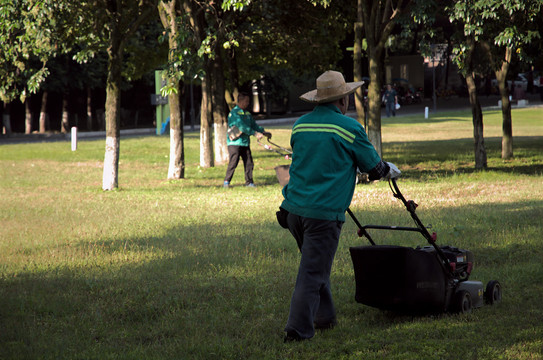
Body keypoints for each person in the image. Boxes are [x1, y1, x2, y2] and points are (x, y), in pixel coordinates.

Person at [276, 70, 401, 342]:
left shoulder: (301, 125)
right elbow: (375, 168)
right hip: (323, 215)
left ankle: (325, 316)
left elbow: (306, 163)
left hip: (293, 210)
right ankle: (297, 332)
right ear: (343, 100)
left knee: (316, 264)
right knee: (312, 272)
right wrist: (390, 169)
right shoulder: (349, 127)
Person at [223, 92, 271, 188]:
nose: (248, 103)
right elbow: (242, 126)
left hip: (245, 143)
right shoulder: (234, 113)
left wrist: (263, 132)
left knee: (249, 163)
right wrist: (255, 133)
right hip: (234, 143)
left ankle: (249, 182)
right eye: (246, 101)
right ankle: (226, 182)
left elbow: (254, 125)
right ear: (240, 101)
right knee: (233, 162)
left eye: (248, 101)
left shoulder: (247, 114)